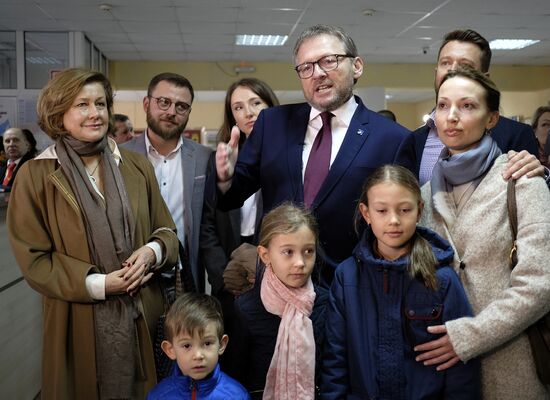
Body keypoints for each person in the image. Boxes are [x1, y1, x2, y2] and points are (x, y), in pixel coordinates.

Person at [6, 68, 179, 399]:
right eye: (82, 105)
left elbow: (166, 231)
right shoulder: (36, 174)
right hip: (76, 322)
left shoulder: (136, 165)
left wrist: (151, 252)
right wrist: (100, 285)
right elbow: (35, 262)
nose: (95, 113)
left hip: (143, 316)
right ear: (59, 113)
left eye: (100, 103)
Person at [215, 24, 415, 285]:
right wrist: (225, 178)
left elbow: (397, 224)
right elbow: (233, 195)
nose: (317, 74)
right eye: (306, 68)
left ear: (357, 66)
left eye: (328, 61)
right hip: (275, 284)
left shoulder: (393, 138)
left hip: (351, 287)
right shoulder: (272, 124)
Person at [414, 67, 550, 399]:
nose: (452, 117)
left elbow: (540, 280)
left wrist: (471, 336)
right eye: (443, 106)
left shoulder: (522, 180)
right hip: (443, 369)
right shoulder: (424, 194)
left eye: (468, 106)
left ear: (492, 118)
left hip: (512, 362)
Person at [322, 164, 479, 399]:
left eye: (404, 210)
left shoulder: (442, 279)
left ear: (419, 210)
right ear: (366, 213)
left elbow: (461, 366)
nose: (394, 220)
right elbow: (335, 358)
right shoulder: (347, 277)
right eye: (382, 211)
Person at [414, 29, 543, 186]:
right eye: (445, 62)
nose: (452, 70)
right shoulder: (415, 140)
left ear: (484, 78)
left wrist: (540, 174)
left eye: (465, 65)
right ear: (436, 72)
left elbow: (533, 191)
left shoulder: (515, 134)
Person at [123, 72, 212, 292]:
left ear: (188, 113)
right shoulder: (120, 157)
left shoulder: (204, 158)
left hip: (184, 277)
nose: (171, 112)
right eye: (164, 102)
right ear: (146, 103)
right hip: (133, 277)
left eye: (181, 106)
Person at [230, 203, 328, 399]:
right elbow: (236, 375)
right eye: (288, 252)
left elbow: (334, 368)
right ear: (265, 255)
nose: (300, 263)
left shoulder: (326, 303)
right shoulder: (246, 309)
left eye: (308, 251)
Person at [201, 78, 279, 297]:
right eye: (238, 107)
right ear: (232, 115)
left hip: (275, 272)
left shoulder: (288, 158)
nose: (249, 113)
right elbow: (207, 226)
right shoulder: (221, 160)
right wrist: (224, 278)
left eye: (256, 103)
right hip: (228, 268)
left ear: (270, 106)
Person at [146, 292, 250, 400]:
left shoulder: (236, 396)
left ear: (221, 345)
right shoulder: (158, 396)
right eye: (187, 346)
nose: (198, 355)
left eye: (207, 343)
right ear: (170, 350)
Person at [1, 127, 36, 191]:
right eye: (7, 141)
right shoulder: (1, 167)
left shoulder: (34, 167)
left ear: (27, 145)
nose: (11, 144)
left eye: (16, 140)